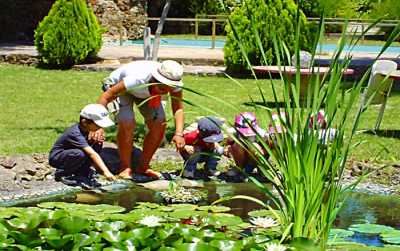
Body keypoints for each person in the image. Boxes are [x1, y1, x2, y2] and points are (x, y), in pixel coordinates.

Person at [96, 60, 185, 179]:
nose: (167, 91)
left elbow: (178, 108)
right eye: (163, 86)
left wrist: (179, 133)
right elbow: (106, 96)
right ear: (155, 79)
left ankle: (143, 166)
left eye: (170, 88)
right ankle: (125, 167)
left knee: (159, 123)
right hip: (122, 90)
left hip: (148, 94)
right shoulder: (137, 78)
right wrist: (97, 126)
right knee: (127, 122)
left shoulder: (174, 84)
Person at [49, 104, 116, 189]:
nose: (101, 127)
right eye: (98, 124)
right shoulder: (75, 133)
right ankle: (63, 174)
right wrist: (106, 172)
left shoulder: (88, 130)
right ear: (85, 122)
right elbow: (92, 154)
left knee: (97, 143)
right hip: (58, 157)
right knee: (79, 153)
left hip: (73, 154)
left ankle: (82, 172)